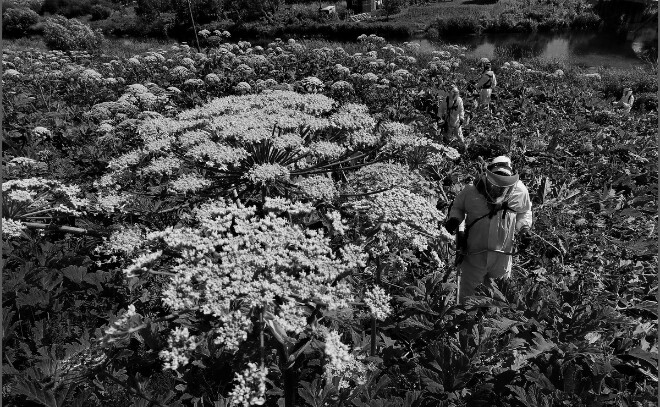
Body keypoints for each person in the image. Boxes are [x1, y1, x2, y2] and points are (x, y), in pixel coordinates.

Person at [442, 156, 533, 304]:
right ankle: (467, 317)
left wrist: (524, 229)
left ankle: (491, 319)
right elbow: (457, 207)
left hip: (502, 257)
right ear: (488, 176)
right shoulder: (471, 190)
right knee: (468, 299)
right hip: (473, 254)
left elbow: (524, 212)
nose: (499, 188)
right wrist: (454, 220)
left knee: (499, 299)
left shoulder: (520, 191)